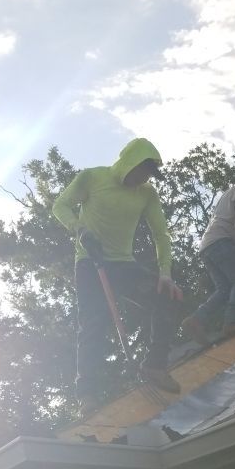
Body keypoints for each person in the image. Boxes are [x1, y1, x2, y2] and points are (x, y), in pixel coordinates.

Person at [52, 138, 183, 406]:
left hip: (124, 265)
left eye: (149, 175)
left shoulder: (147, 194)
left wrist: (166, 273)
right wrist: (79, 228)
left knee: (167, 297)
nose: (144, 179)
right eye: (142, 172)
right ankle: (86, 393)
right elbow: (60, 206)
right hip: (90, 263)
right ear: (128, 163)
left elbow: (161, 234)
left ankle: (155, 365)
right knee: (93, 324)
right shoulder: (92, 178)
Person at [181, 161, 235, 345]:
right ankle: (231, 323)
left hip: (207, 246)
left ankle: (196, 319)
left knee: (224, 289)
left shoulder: (230, 192)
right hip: (221, 242)